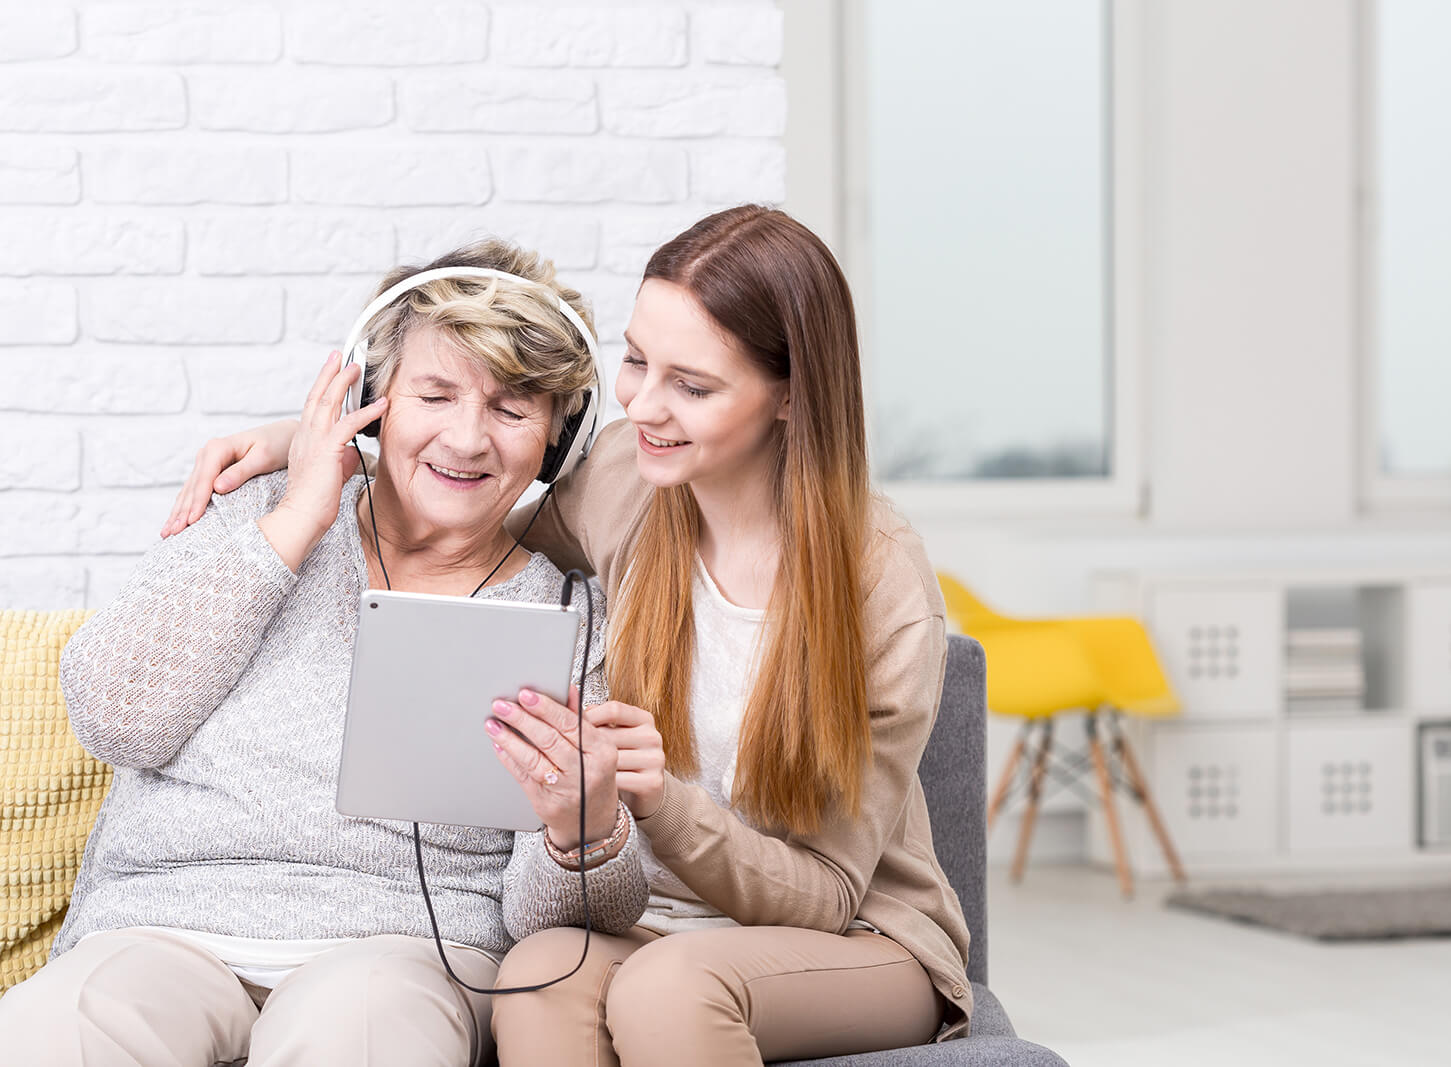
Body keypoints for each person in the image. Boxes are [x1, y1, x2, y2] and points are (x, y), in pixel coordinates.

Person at [160, 206, 972, 1065]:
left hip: (852, 937)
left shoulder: (881, 586)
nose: (643, 406)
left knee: (672, 988)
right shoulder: (629, 482)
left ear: (792, 394)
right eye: (637, 361)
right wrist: (314, 443)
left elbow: (827, 894)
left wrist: (661, 801)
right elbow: (468, 502)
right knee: (539, 972)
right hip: (655, 922)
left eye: (693, 387)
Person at [0, 241, 648, 1067]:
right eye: (435, 394)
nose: (466, 437)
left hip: (401, 952)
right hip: (163, 925)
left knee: (363, 1029)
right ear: (372, 400)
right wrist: (295, 522)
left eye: (512, 409)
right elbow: (111, 717)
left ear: (559, 436)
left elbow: (550, 923)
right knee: (52, 1026)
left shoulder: (566, 615)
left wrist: (579, 829)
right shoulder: (255, 509)